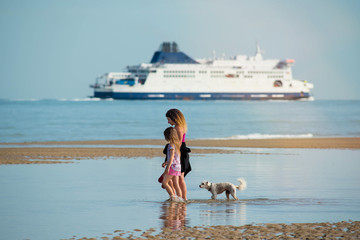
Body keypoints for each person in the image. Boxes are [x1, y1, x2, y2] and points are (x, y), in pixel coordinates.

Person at [166, 109, 191, 200]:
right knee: (178, 178)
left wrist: (172, 158)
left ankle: (183, 199)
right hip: (180, 153)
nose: (168, 122)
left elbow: (179, 143)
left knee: (180, 178)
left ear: (174, 118)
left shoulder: (178, 128)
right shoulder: (180, 126)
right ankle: (179, 198)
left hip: (180, 153)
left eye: (169, 119)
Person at [162, 127, 183, 201]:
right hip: (178, 167)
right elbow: (175, 158)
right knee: (176, 184)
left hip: (173, 167)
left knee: (164, 182)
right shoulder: (177, 144)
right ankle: (180, 199)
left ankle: (173, 197)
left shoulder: (171, 145)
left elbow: (171, 157)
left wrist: (168, 167)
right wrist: (166, 162)